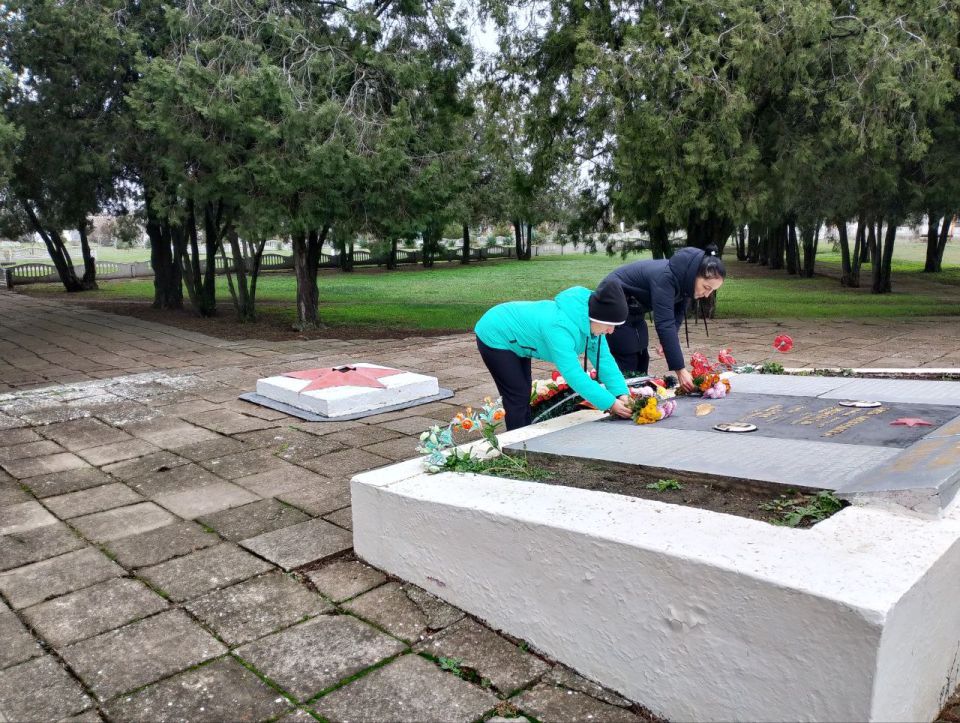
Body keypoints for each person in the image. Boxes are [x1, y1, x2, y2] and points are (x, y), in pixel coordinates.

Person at [474, 282, 634, 430]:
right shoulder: (559, 327)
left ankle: (525, 437)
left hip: (519, 338)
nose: (611, 331)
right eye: (610, 325)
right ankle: (517, 447)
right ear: (596, 318)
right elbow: (573, 374)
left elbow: (604, 360)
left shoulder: (593, 323)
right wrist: (610, 403)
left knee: (523, 393)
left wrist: (622, 394)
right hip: (496, 332)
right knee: (517, 396)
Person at [601, 245, 726, 392]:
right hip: (611, 304)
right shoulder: (665, 278)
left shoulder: (685, 281)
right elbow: (664, 323)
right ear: (694, 275)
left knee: (642, 356)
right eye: (706, 287)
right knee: (627, 354)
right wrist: (680, 370)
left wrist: (665, 343)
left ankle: (637, 393)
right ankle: (619, 396)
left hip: (634, 308)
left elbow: (678, 313)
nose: (707, 295)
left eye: (712, 290)